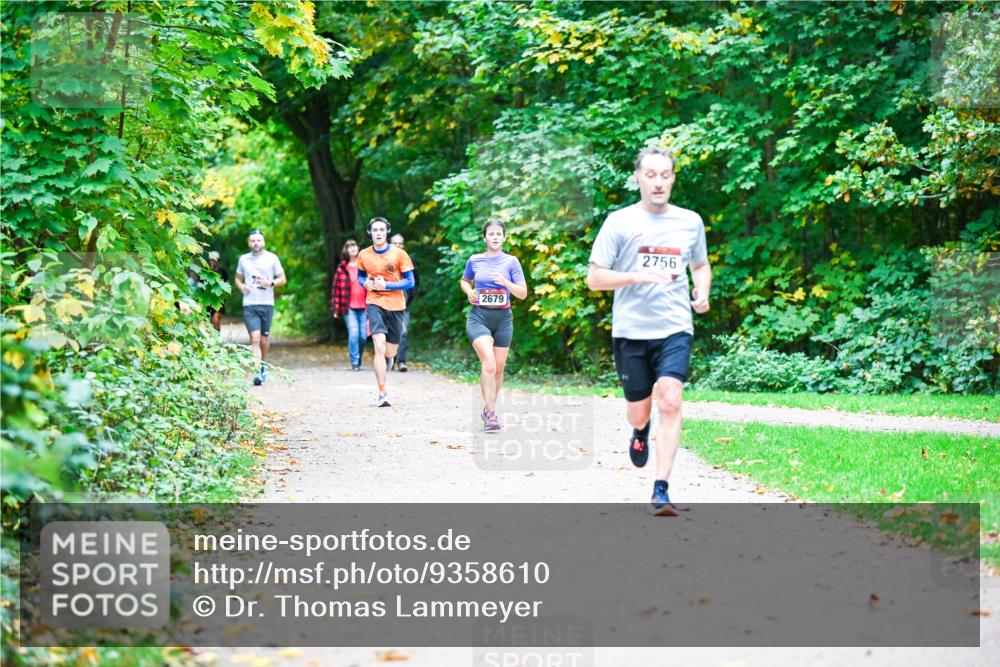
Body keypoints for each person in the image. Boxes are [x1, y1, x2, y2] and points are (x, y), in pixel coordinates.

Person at [586, 147, 711, 515]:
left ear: (673, 179)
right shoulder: (619, 222)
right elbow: (594, 278)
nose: (658, 182)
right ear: (638, 178)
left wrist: (702, 290)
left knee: (670, 399)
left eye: (665, 175)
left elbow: (700, 265)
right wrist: (636, 276)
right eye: (651, 175)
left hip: (674, 327)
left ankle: (661, 489)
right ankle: (640, 432)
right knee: (638, 412)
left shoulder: (690, 221)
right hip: (631, 331)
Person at [460, 220, 528, 431]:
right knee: (488, 363)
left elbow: (523, 294)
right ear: (485, 237)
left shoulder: (512, 262)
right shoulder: (475, 260)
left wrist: (506, 283)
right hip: (479, 317)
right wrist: (469, 291)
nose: (495, 237)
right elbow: (464, 281)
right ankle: (491, 414)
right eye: (491, 234)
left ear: (504, 237)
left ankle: (489, 406)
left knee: (498, 369)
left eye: (499, 233)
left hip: (503, 320)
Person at [356, 217, 415, 407]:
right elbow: (360, 275)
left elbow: (410, 282)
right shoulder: (364, 255)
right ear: (370, 233)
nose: (378, 233)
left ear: (387, 232)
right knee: (379, 346)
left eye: (382, 230)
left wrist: (387, 285)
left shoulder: (399, 254)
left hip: (397, 305)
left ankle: (389, 359)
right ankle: (382, 392)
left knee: (390, 351)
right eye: (375, 230)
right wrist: (364, 283)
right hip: (374, 302)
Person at [235, 230, 286, 386]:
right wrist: (241, 286)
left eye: (258, 240)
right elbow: (237, 278)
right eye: (252, 241)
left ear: (263, 242)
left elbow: (283, 279)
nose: (256, 243)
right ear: (248, 243)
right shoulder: (243, 259)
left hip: (267, 303)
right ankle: (257, 371)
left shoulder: (272, 258)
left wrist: (270, 283)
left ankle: (263, 364)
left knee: (264, 340)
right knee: (255, 339)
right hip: (250, 304)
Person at [331, 239, 368, 371]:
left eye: (354, 246)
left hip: (365, 306)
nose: (352, 248)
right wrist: (335, 308)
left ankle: (359, 357)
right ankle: (355, 362)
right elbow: (336, 290)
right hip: (348, 307)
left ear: (358, 248)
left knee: (363, 336)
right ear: (346, 250)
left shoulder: (365, 266)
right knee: (353, 333)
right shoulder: (342, 268)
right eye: (349, 247)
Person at [390, 233, 418, 372]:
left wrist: (411, 297)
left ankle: (401, 362)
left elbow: (415, 281)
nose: (398, 246)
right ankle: (390, 359)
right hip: (387, 304)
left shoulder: (409, 261)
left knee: (403, 332)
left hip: (404, 305)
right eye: (395, 243)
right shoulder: (385, 261)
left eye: (400, 243)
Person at [207, 251, 229, 332]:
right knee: (209, 320)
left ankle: (217, 335)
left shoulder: (222, 271)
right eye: (211, 260)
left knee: (216, 318)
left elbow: (227, 285)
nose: (213, 262)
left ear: (218, 260)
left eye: (215, 260)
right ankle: (211, 337)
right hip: (207, 299)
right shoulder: (205, 272)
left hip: (218, 299)